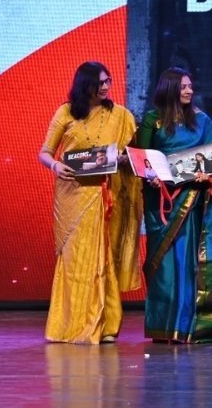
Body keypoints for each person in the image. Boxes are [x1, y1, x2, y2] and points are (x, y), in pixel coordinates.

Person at [39, 61, 141, 344]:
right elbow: (45, 152)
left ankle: (106, 326)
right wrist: (55, 166)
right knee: (75, 262)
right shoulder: (66, 112)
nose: (106, 87)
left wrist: (122, 159)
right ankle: (67, 327)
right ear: (86, 85)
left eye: (108, 81)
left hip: (106, 194)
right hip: (72, 195)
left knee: (104, 258)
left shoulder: (120, 115)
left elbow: (134, 155)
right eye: (100, 83)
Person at [136, 67, 212, 343]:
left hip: (193, 201)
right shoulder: (152, 120)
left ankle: (190, 327)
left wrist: (206, 174)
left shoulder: (202, 120)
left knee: (190, 263)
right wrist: (150, 176)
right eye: (183, 87)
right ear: (170, 89)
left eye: (190, 86)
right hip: (162, 203)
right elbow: (141, 158)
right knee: (165, 265)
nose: (189, 91)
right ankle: (163, 326)